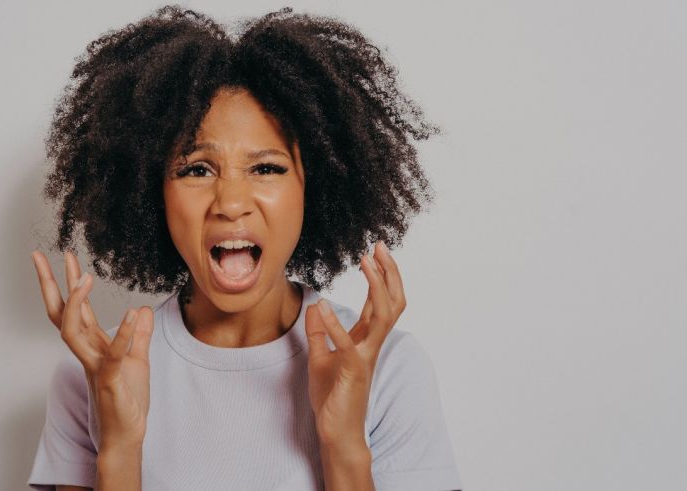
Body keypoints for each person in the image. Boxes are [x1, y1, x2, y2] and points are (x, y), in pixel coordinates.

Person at [27, 5, 462, 490]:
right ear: (152, 194)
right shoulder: (93, 374)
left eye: (266, 168)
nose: (231, 203)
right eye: (196, 169)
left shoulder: (388, 369)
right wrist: (120, 449)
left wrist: (343, 444)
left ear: (313, 188)